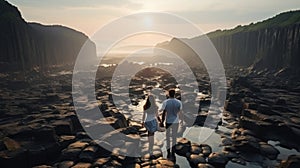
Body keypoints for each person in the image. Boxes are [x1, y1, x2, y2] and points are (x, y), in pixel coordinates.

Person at [160, 89, 183, 161]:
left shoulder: (166, 102)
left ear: (169, 94)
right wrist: (181, 120)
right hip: (175, 121)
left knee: (167, 134)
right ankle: (173, 150)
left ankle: (168, 150)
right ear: (174, 94)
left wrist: (162, 121)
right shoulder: (179, 102)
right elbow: (180, 112)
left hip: (168, 121)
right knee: (174, 135)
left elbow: (164, 112)